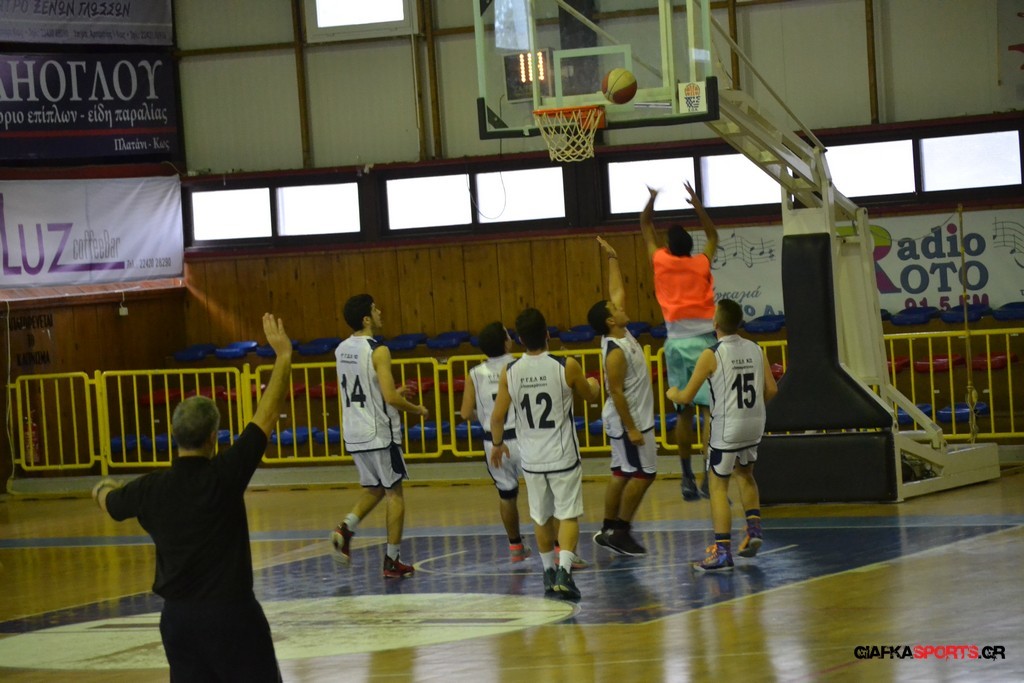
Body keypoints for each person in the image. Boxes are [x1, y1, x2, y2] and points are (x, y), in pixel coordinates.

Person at [92, 313, 293, 682]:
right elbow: (266, 415)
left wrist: (102, 488)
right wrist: (283, 357)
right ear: (214, 437)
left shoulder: (150, 489)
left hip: (178, 621)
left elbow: (112, 504)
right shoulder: (225, 475)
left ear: (174, 436)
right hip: (233, 616)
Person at [490, 308, 601, 600]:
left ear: (520, 339)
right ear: (548, 334)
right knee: (568, 515)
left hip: (532, 457)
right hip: (562, 454)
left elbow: (497, 417)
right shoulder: (565, 365)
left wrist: (498, 444)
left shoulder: (510, 371)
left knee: (540, 516)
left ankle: (548, 572)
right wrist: (593, 383)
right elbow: (589, 395)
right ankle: (564, 572)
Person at [666, 299, 778, 571]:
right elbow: (772, 390)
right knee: (746, 475)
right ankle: (753, 530)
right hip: (754, 423)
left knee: (717, 486)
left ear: (715, 323)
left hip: (727, 427)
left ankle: (722, 552)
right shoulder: (756, 348)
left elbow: (687, 396)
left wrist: (672, 394)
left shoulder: (712, 353)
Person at [330, 294, 430, 579]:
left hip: (354, 431)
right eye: (375, 309)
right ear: (366, 319)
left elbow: (363, 389)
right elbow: (389, 398)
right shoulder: (379, 350)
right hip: (379, 432)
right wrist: (417, 409)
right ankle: (392, 561)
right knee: (394, 494)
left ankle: (345, 529)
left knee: (374, 487)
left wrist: (390, 393)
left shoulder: (340, 349)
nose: (380, 312)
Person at [641, 181, 719, 501]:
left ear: (669, 248)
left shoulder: (661, 262)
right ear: (689, 246)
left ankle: (686, 477)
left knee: (683, 412)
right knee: (710, 411)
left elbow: (646, 226)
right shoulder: (701, 263)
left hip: (675, 342)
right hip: (705, 343)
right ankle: (709, 476)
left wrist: (652, 200)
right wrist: (698, 207)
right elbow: (713, 236)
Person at [587, 236, 656, 557]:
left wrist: (613, 258)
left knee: (620, 472)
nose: (621, 306)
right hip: (629, 421)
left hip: (627, 419)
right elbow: (615, 392)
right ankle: (621, 532)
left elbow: (617, 291)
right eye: (615, 309)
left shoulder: (621, 331)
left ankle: (607, 528)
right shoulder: (615, 351)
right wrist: (631, 428)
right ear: (610, 321)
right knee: (644, 474)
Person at [460, 321, 532, 563]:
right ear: (506, 343)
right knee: (540, 492)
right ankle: (555, 547)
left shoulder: (474, 373)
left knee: (506, 495)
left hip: (493, 442)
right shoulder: (519, 365)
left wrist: (483, 416)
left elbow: (465, 413)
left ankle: (516, 547)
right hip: (522, 437)